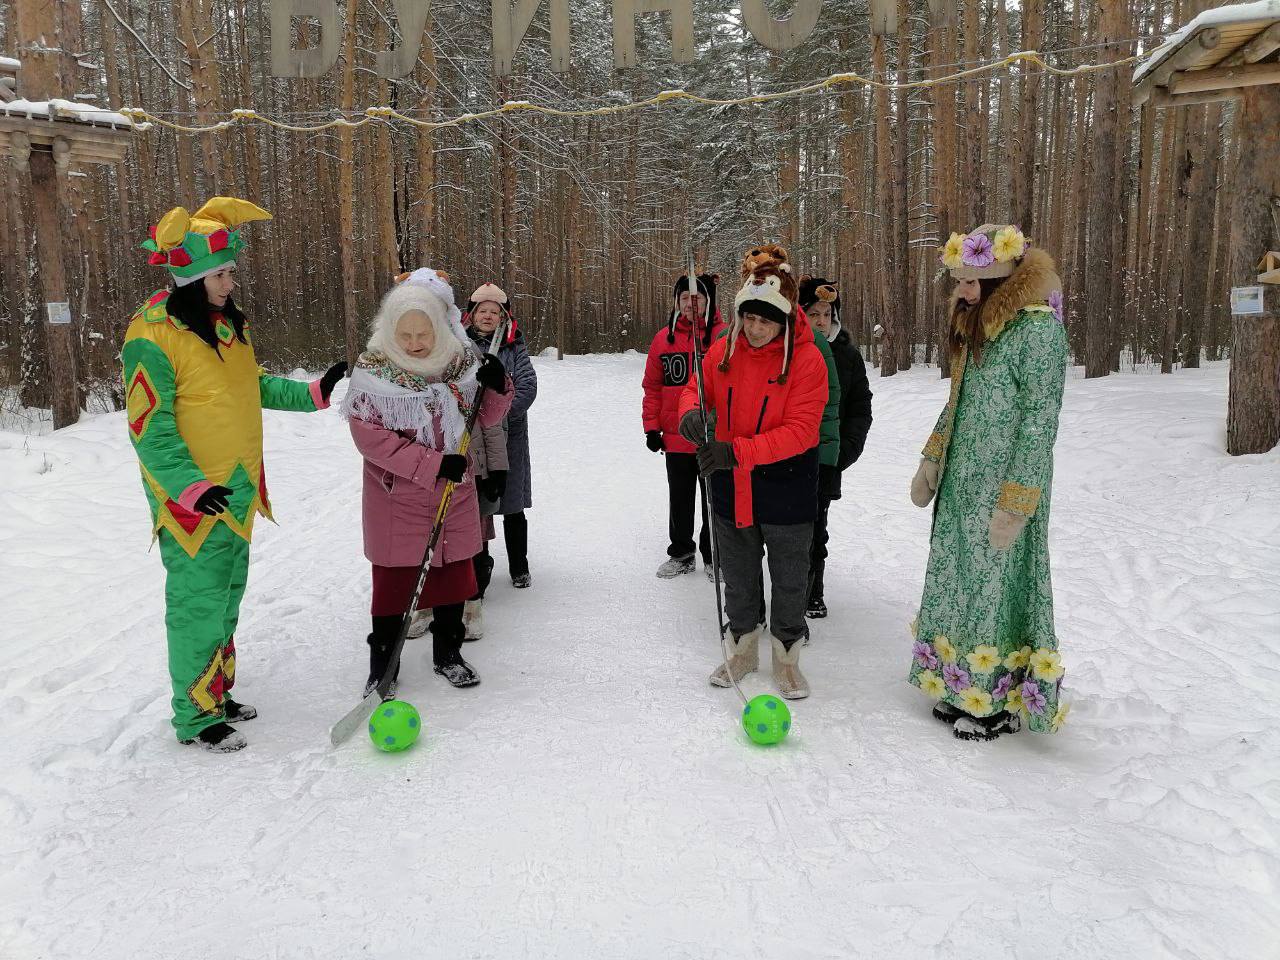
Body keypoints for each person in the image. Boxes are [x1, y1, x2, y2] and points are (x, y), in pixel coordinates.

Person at [123, 197, 346, 752]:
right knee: (197, 606)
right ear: (192, 276)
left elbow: (255, 385)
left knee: (226, 598)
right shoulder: (151, 336)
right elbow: (149, 427)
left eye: (231, 273)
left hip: (237, 492)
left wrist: (316, 391)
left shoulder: (224, 327)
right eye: (221, 274)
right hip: (192, 504)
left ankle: (215, 694)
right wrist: (190, 488)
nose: (230, 283)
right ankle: (195, 717)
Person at [908, 223, 1068, 741]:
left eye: (972, 284)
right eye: (958, 282)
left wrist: (1018, 500)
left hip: (1004, 490)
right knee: (960, 582)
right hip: (962, 486)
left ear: (1001, 282)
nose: (961, 291)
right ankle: (959, 685)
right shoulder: (975, 328)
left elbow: (1039, 423)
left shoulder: (1039, 332)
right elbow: (957, 403)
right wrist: (933, 459)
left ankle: (994, 699)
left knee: (997, 588)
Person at [342, 269, 511, 692]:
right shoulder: (374, 372)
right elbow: (372, 441)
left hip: (454, 496)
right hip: (397, 500)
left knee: (453, 579)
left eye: (424, 334)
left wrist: (496, 385)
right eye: (406, 335)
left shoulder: (458, 364)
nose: (416, 344)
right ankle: (383, 667)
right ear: (389, 331)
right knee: (394, 591)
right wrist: (432, 465)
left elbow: (486, 417)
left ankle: (449, 653)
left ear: (439, 328)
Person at [678, 245, 828, 699]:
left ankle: (786, 659)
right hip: (730, 483)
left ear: (783, 320)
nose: (756, 328)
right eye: (750, 318)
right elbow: (694, 388)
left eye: (767, 320)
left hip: (786, 486)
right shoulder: (723, 351)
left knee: (788, 578)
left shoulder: (807, 361)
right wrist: (690, 413)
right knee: (738, 574)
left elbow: (801, 431)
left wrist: (736, 451)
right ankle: (742, 651)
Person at [798, 277, 873, 619]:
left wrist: (847, 449)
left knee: (816, 528)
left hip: (826, 459)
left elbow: (860, 407)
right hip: (785, 455)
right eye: (813, 313)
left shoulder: (847, 355)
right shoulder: (790, 350)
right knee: (784, 531)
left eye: (827, 313)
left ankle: (813, 592)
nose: (821, 320)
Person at [642, 272, 725, 579]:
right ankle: (681, 552)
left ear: (709, 301)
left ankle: (713, 554)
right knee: (680, 498)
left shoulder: (723, 337)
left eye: (698, 298)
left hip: (713, 437)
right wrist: (651, 427)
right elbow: (652, 387)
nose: (691, 304)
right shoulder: (663, 339)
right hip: (675, 438)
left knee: (714, 500)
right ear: (676, 302)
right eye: (685, 299)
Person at [464, 282, 538, 612]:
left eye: (495, 311)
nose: (488, 316)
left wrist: (500, 413)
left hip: (510, 435)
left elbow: (527, 385)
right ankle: (481, 564)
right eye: (483, 310)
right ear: (472, 314)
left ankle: (519, 565)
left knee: (511, 502)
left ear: (504, 316)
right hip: (471, 436)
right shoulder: (458, 344)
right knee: (479, 502)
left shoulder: (513, 346)